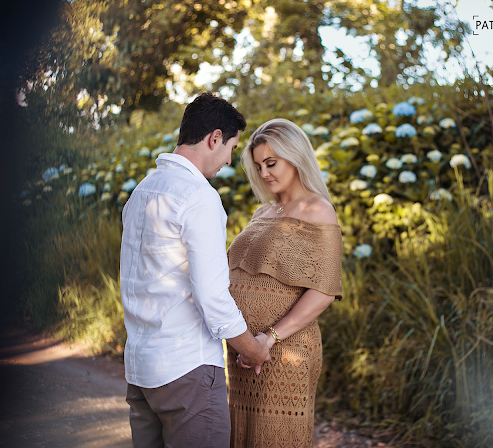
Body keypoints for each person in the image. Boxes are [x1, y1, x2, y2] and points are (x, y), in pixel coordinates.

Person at [119, 93, 271, 448]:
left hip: (141, 372)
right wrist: (251, 349)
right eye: (231, 147)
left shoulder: (142, 192)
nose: (229, 161)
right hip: (185, 371)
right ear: (214, 138)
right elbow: (212, 297)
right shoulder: (198, 196)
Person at [225, 118, 343, 447]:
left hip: (284, 349)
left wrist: (269, 338)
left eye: (271, 163)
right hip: (245, 351)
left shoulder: (318, 210)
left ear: (295, 156)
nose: (264, 173)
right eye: (259, 165)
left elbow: (323, 290)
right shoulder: (263, 212)